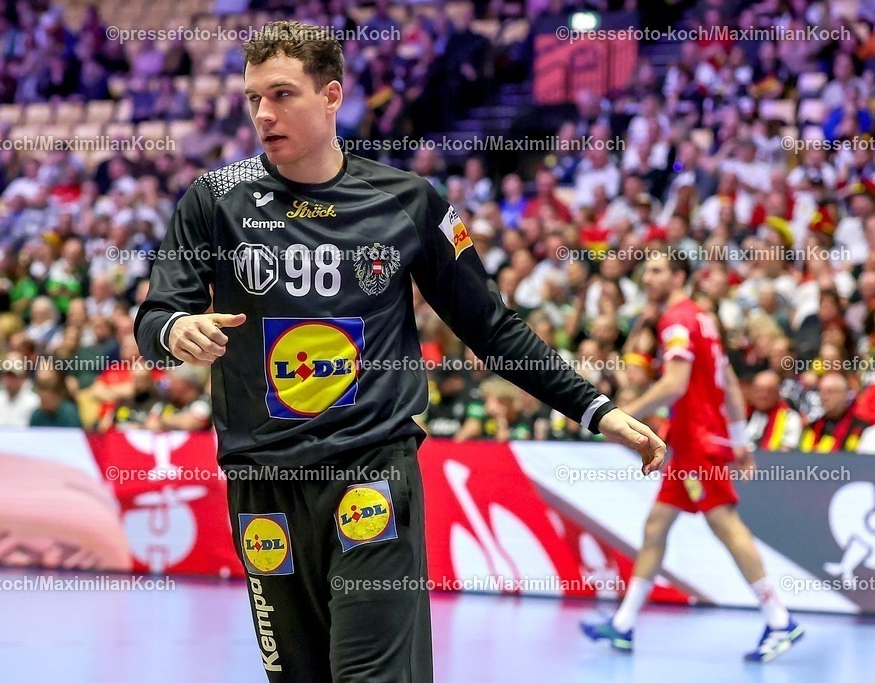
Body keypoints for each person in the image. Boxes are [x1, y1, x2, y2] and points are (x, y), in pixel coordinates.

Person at [135, 21, 665, 683]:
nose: (263, 113)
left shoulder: (407, 202)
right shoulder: (215, 200)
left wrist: (595, 408)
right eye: (252, 99)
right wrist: (174, 330)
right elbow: (156, 313)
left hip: (369, 469)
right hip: (261, 481)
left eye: (281, 94)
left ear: (332, 96)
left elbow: (492, 326)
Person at [581, 254, 804, 663]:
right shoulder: (704, 319)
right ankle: (625, 624)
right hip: (689, 444)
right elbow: (730, 383)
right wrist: (739, 441)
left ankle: (779, 619)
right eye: (645, 271)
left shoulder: (678, 320)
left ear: (679, 277)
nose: (647, 278)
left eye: (657, 271)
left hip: (697, 443)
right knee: (655, 527)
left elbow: (676, 383)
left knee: (727, 526)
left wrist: (623, 415)